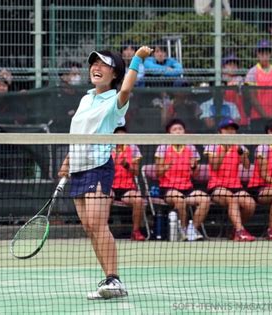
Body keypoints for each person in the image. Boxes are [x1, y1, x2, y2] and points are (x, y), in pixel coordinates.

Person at [58, 45, 152, 299]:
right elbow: (78, 131)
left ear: (114, 74)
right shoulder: (85, 98)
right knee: (89, 226)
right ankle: (109, 281)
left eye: (103, 65)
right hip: (77, 167)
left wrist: (137, 60)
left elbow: (126, 88)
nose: (96, 68)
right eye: (94, 64)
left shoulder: (116, 99)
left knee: (98, 224)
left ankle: (114, 278)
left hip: (98, 167)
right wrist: (68, 158)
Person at [154, 119, 210, 240]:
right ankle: (183, 230)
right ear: (169, 133)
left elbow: (195, 175)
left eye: (180, 129)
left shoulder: (191, 148)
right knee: (180, 200)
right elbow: (158, 173)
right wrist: (166, 167)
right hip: (168, 189)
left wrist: (194, 167)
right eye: (174, 129)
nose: (178, 131)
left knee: (205, 199)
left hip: (187, 188)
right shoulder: (162, 148)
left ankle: (192, 229)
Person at [204, 119, 256, 241]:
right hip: (217, 186)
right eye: (227, 129)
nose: (230, 131)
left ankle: (234, 229)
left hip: (235, 186)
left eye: (233, 129)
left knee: (250, 204)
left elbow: (247, 166)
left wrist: (242, 154)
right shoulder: (212, 146)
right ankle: (240, 231)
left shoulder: (240, 146)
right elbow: (215, 167)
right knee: (232, 199)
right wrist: (225, 149)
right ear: (220, 131)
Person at [111, 126, 146, 241]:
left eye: (123, 134)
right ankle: (102, 231)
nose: (121, 136)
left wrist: (126, 165)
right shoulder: (106, 148)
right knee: (102, 198)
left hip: (127, 188)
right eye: (118, 134)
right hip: (110, 187)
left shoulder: (133, 148)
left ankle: (136, 231)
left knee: (138, 200)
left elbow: (136, 172)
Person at [244, 40, 272, 132]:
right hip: (258, 117)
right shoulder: (252, 72)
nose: (264, 55)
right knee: (259, 144)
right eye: (261, 52)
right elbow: (252, 97)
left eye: (267, 52)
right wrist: (265, 115)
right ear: (257, 54)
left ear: (270, 54)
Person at [221, 53, 249, 127]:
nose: (233, 66)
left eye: (235, 64)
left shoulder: (241, 80)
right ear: (223, 67)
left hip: (240, 119)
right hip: (225, 120)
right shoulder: (220, 81)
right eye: (229, 64)